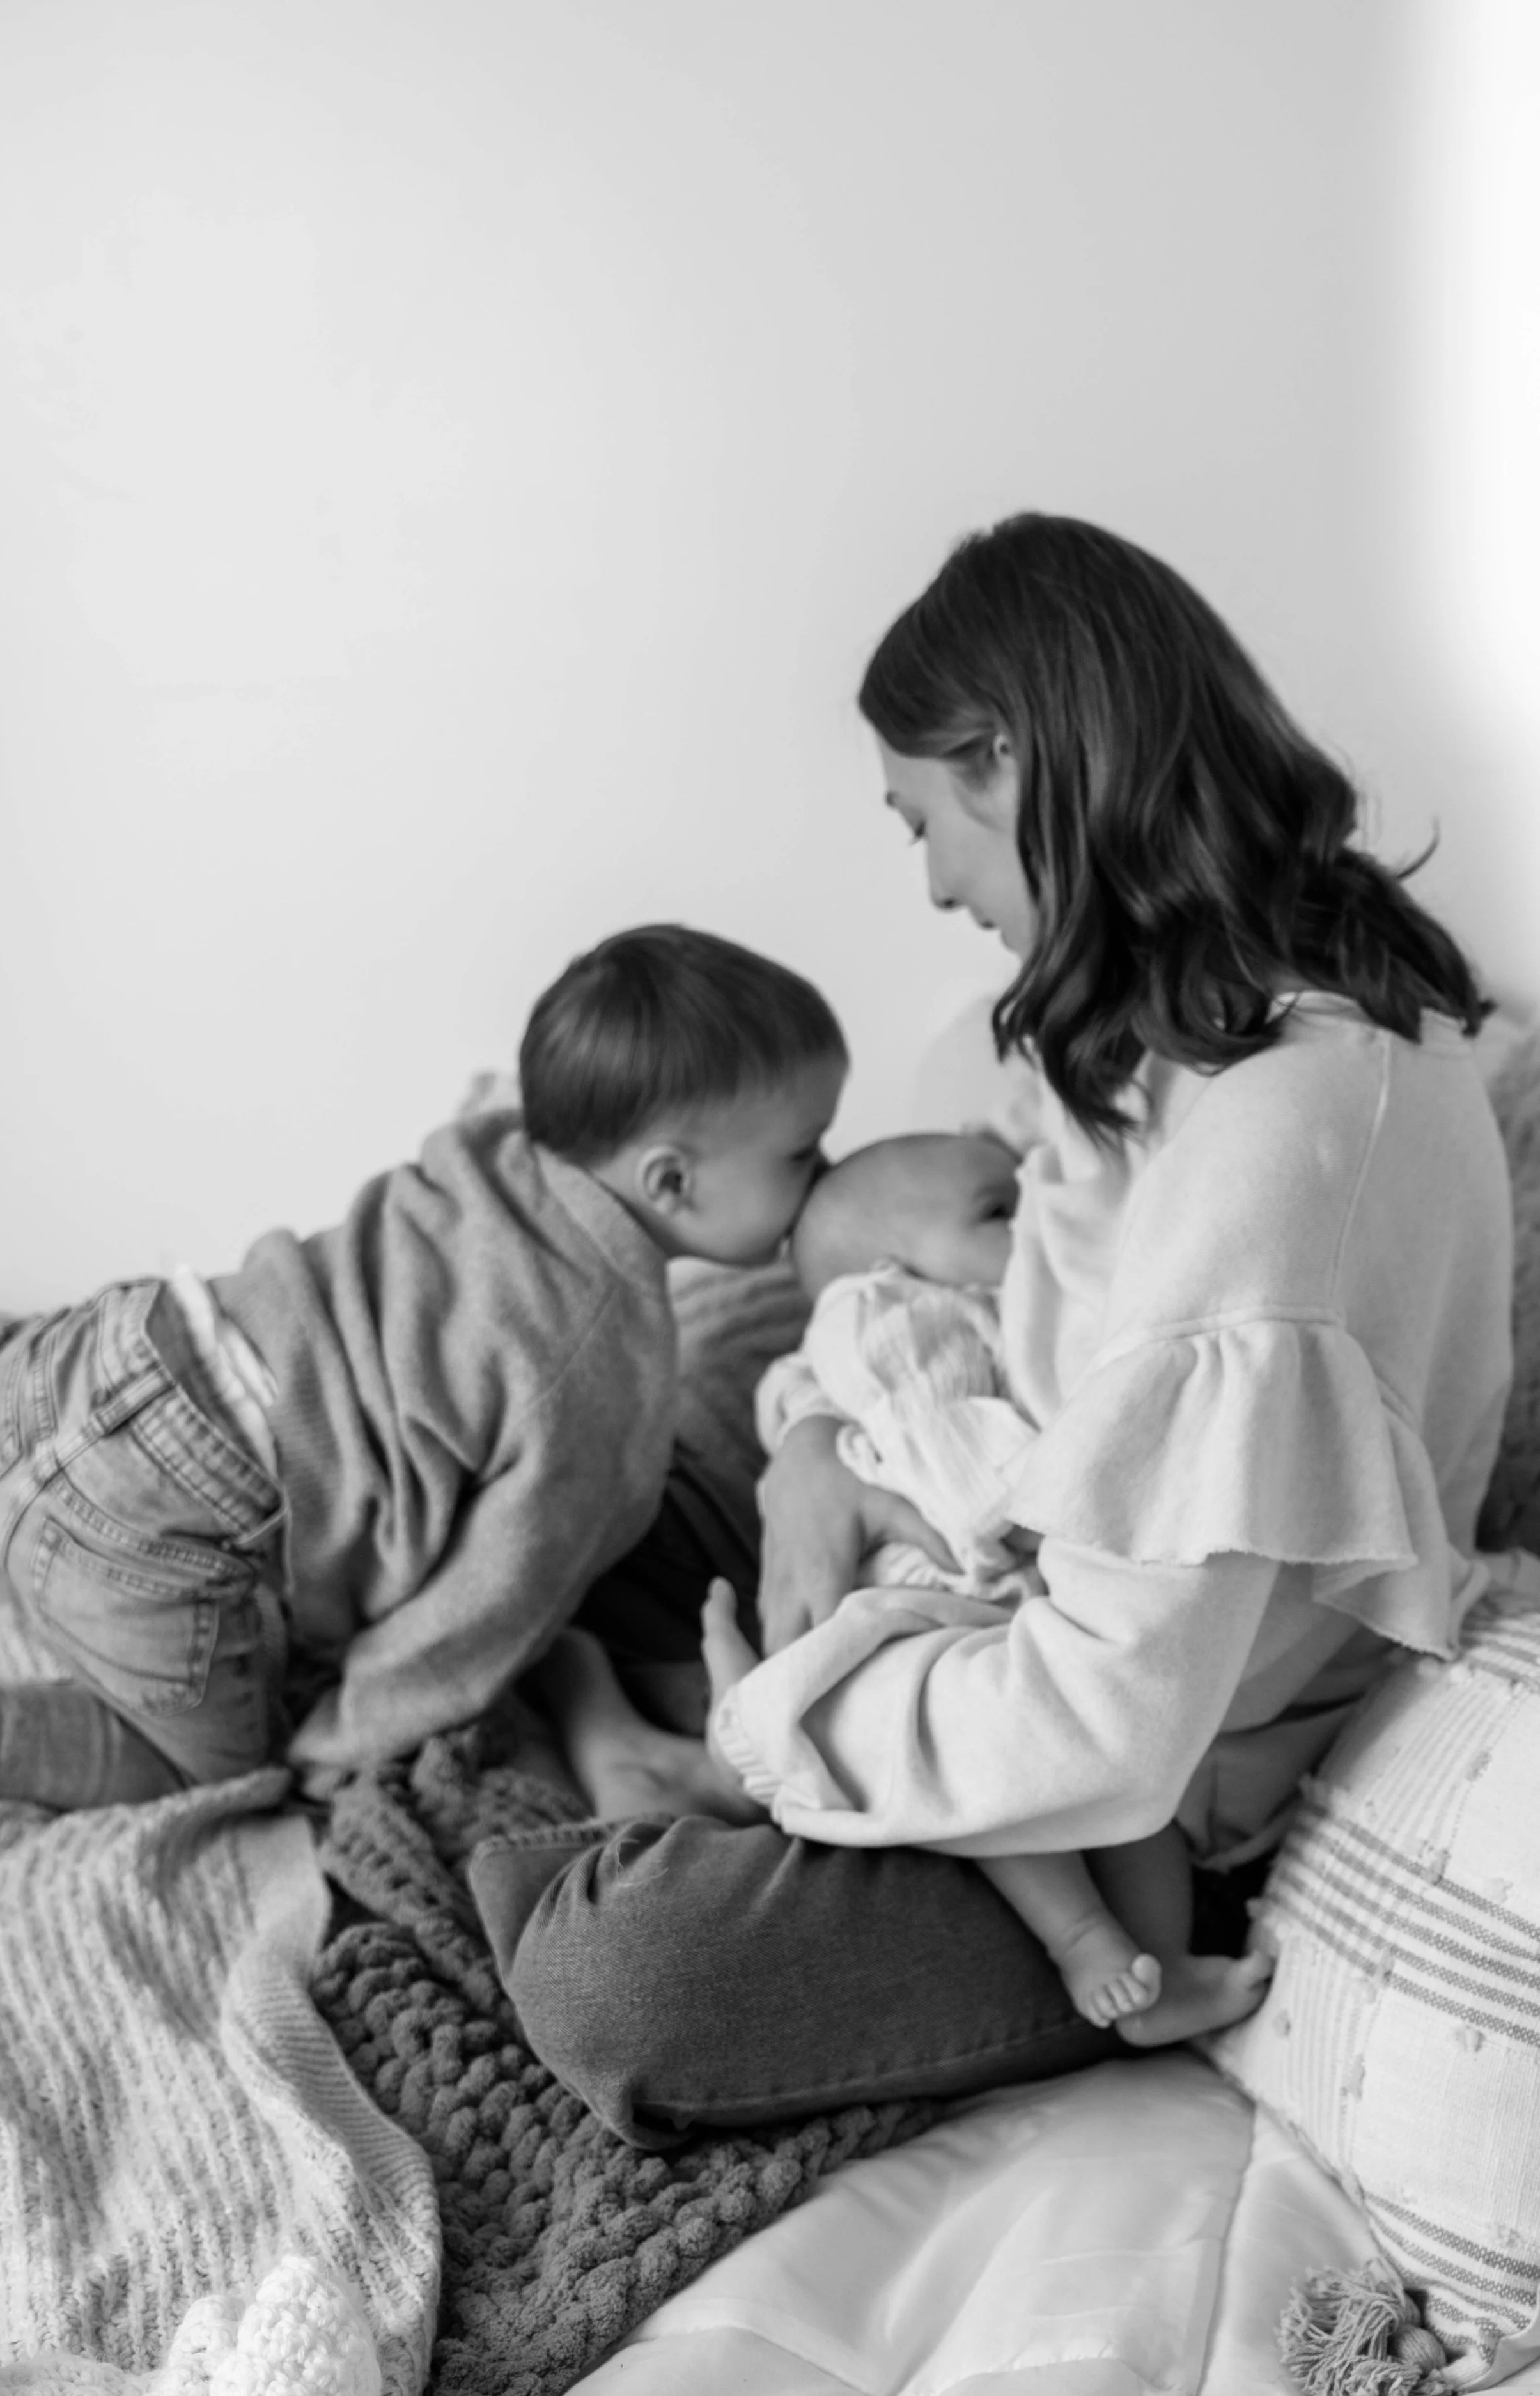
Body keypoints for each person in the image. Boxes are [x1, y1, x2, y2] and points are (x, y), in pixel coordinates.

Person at [465, 511, 1513, 2151]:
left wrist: (776, 1722)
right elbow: (948, 1319)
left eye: (921, 821)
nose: (937, 882)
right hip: (968, 1550)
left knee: (625, 1981)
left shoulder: (1276, 1152)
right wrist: (815, 1440)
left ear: (1009, 759)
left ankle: (675, 1769)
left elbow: (1096, 1726)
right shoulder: (1175, 1029)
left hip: (1144, 1812)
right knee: (598, 1495)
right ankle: (633, 1728)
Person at [0, 925, 846, 1810]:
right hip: (167, 1511)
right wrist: (342, 1739)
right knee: (217, 1777)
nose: (826, 1172)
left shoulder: (499, 1144)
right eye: (804, 1152)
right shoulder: (599, 1379)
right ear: (669, 1183)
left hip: (108, 1347)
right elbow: (483, 1613)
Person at [720, 1130, 1268, 2040]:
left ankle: (1158, 1969)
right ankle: (1084, 1936)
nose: (1028, 1224)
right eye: (996, 1212)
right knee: (1007, 1768)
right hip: (936, 1583)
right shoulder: (890, 1313)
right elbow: (948, 1447)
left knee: (1127, 1783)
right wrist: (1041, 1510)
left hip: (984, 1584)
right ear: (892, 1264)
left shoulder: (981, 1301)